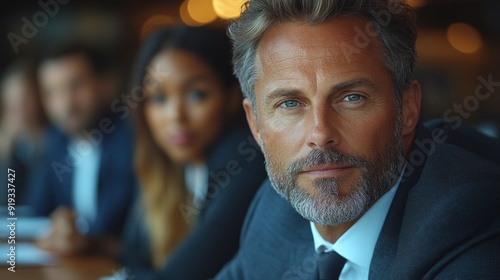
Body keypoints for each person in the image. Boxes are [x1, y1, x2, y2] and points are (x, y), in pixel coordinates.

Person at [215, 0, 500, 279]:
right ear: (255, 124)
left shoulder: (466, 221)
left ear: (409, 109)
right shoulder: (277, 209)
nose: (321, 134)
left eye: (352, 98)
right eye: (290, 103)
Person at [106, 26, 267, 280]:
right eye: (159, 98)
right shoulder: (167, 166)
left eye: (196, 95)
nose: (175, 116)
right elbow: (134, 255)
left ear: (231, 97)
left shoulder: (243, 157)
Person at [27, 44, 135, 255]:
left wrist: (87, 242)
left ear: (106, 84)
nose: (66, 104)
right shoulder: (55, 140)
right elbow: (37, 210)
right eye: (53, 92)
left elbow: (143, 241)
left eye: (76, 86)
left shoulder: (132, 140)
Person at [0, 59, 47, 206]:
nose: (18, 109)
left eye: (25, 99)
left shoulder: (56, 140)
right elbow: (6, 203)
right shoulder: (11, 147)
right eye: (11, 102)